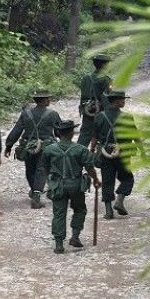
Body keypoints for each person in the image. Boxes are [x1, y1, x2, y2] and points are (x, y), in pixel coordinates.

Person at [42, 120, 100, 254]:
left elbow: (45, 167)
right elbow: (89, 168)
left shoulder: (49, 149)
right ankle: (75, 236)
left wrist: (50, 181)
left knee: (59, 213)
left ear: (59, 133)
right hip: (76, 185)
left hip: (58, 185)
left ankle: (59, 244)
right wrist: (96, 179)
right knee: (80, 209)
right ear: (72, 133)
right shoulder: (81, 149)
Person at [5, 89, 61, 209]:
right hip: (46, 147)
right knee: (42, 169)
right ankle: (36, 195)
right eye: (48, 98)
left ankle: (34, 190)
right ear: (44, 100)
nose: (49, 100)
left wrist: (9, 145)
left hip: (28, 146)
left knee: (30, 169)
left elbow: (17, 130)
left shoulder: (26, 114)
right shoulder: (53, 114)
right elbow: (59, 132)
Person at [92, 89, 134, 219]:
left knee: (107, 180)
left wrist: (92, 151)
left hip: (105, 152)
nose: (124, 102)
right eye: (123, 99)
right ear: (116, 101)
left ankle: (108, 211)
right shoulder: (127, 117)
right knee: (127, 178)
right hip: (123, 152)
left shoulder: (100, 116)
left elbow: (94, 137)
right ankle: (119, 200)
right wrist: (142, 151)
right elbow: (135, 136)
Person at [77, 54, 112, 145]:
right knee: (103, 134)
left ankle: (77, 152)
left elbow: (83, 95)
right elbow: (106, 99)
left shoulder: (86, 78)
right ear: (104, 65)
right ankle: (100, 152)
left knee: (84, 134)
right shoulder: (106, 79)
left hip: (87, 109)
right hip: (100, 111)